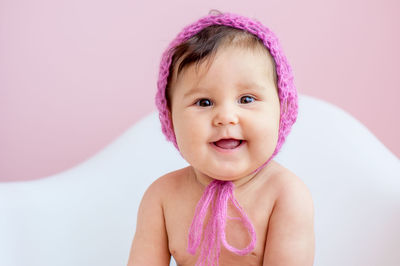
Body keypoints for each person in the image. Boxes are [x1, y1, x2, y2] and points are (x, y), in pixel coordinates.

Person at [127, 10, 315, 266]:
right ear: (169, 118)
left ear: (282, 110)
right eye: (204, 102)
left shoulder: (285, 195)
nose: (226, 117)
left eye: (246, 99)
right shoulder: (161, 197)